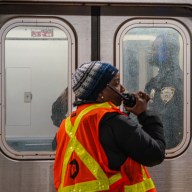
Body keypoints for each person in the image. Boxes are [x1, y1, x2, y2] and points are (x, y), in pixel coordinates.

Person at [54, 61, 165, 192]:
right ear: (100, 91)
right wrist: (145, 114)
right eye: (116, 83)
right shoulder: (114, 121)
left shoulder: (67, 125)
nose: (122, 89)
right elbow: (155, 154)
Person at [145, 31, 183, 149]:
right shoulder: (160, 77)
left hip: (166, 143)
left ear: (168, 53)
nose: (152, 52)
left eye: (156, 49)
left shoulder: (172, 80)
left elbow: (164, 118)